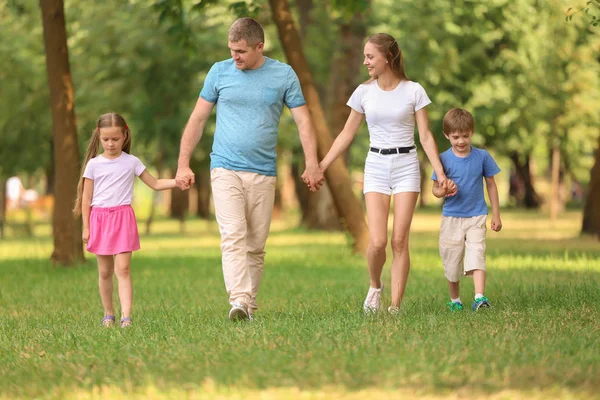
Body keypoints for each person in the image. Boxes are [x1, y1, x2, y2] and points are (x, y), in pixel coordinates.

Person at [175, 18, 323, 321]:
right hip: (225, 167)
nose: (235, 57)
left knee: (255, 246)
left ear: (259, 46)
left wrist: (311, 162)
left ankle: (248, 307)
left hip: (263, 172)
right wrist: (182, 163)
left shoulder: (283, 75)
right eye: (231, 50)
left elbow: (303, 120)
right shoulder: (219, 72)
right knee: (233, 235)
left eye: (241, 51)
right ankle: (239, 299)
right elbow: (198, 119)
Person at [319, 33, 454, 314]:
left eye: (370, 56)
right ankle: (375, 286)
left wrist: (440, 172)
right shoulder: (364, 92)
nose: (365, 61)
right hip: (376, 166)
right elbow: (346, 134)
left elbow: (426, 137)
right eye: (365, 56)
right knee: (378, 242)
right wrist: (322, 165)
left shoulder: (414, 90)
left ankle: (394, 306)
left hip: (406, 165)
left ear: (387, 57)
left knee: (399, 240)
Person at [73, 113, 179, 328]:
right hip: (99, 220)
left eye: (115, 139)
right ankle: (108, 313)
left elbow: (156, 183)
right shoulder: (93, 165)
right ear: (98, 137)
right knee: (104, 271)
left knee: (123, 270)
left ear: (125, 136)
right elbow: (86, 198)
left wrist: (177, 182)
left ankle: (126, 317)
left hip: (123, 219)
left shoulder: (132, 162)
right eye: (106, 139)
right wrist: (86, 227)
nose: (110, 144)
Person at [431, 108, 502, 312]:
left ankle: (480, 298)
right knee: (451, 261)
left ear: (472, 132)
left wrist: (496, 214)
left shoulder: (482, 156)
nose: (461, 141)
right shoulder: (442, 159)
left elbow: (491, 184)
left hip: (476, 215)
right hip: (452, 217)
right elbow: (435, 189)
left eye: (465, 136)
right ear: (447, 135)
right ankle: (455, 300)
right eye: (455, 137)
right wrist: (442, 190)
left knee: (477, 252)